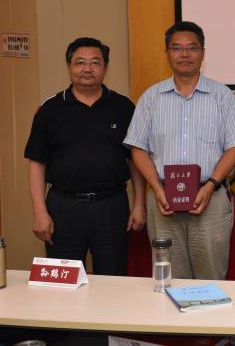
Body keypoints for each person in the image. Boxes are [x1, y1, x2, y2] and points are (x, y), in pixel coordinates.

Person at [124, 21, 235, 280]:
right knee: (169, 280)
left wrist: (210, 186)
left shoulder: (223, 96)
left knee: (211, 280)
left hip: (210, 198)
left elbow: (234, 147)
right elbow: (138, 148)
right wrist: (157, 188)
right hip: (163, 199)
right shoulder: (151, 97)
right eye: (177, 48)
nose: (185, 54)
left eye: (192, 48)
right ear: (167, 53)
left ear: (203, 53)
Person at [25, 37, 145, 275]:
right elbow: (37, 163)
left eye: (95, 62)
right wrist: (39, 212)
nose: (87, 69)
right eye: (80, 62)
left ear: (105, 67)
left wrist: (139, 204)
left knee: (113, 281)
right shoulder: (50, 109)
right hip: (63, 209)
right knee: (64, 282)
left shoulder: (123, 107)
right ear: (69, 66)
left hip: (111, 207)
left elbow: (135, 160)